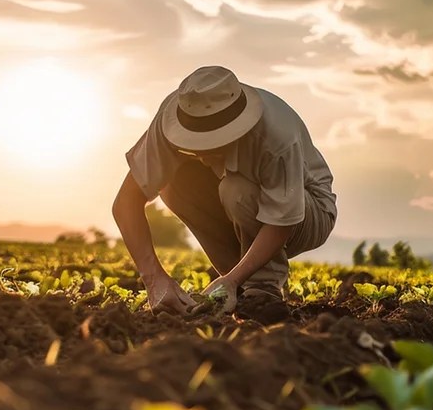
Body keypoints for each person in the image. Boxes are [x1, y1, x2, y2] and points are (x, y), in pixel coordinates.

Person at [112, 65, 337, 315]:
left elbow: (282, 220)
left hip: (309, 210)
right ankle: (236, 283)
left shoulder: (275, 134)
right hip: (245, 206)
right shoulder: (175, 116)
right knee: (171, 184)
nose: (204, 154)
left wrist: (233, 279)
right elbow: (126, 202)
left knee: (237, 189)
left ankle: (261, 288)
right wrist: (154, 279)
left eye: (214, 145)